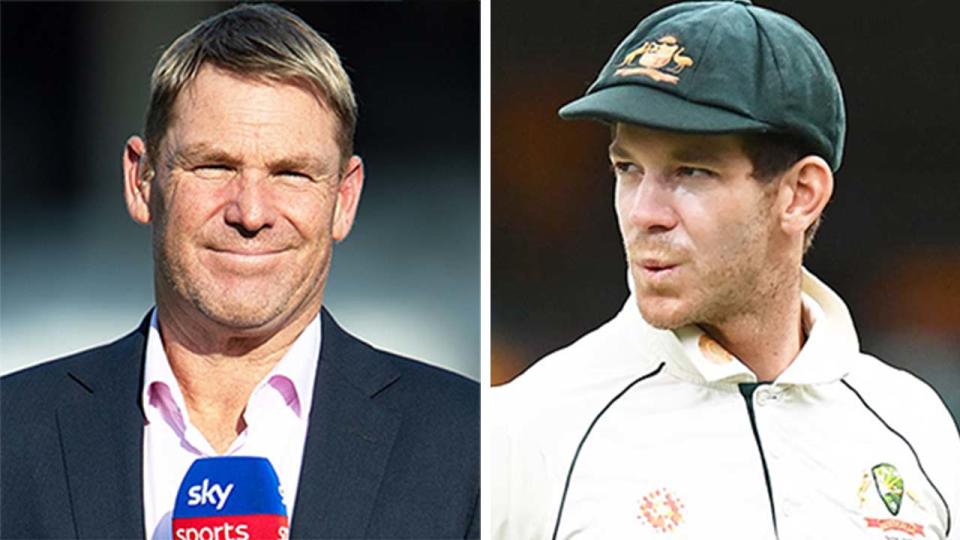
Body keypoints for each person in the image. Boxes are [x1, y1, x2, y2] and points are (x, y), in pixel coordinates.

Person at [0, 4, 478, 539]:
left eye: (292, 173)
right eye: (215, 166)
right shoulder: (12, 436)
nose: (250, 212)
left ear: (344, 198)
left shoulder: (469, 444)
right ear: (141, 182)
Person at [492, 1, 959, 538]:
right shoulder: (527, 432)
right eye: (628, 168)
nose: (644, 213)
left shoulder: (913, 426)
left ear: (800, 195)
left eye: (691, 171)